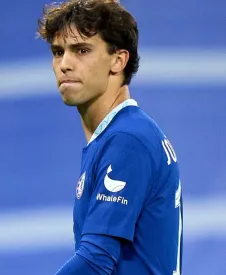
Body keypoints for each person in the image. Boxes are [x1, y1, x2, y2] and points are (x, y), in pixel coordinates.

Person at [36, 0, 183, 274]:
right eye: (58, 52)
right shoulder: (121, 134)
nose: (64, 64)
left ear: (118, 60)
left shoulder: (127, 140)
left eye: (81, 50)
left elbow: (95, 261)